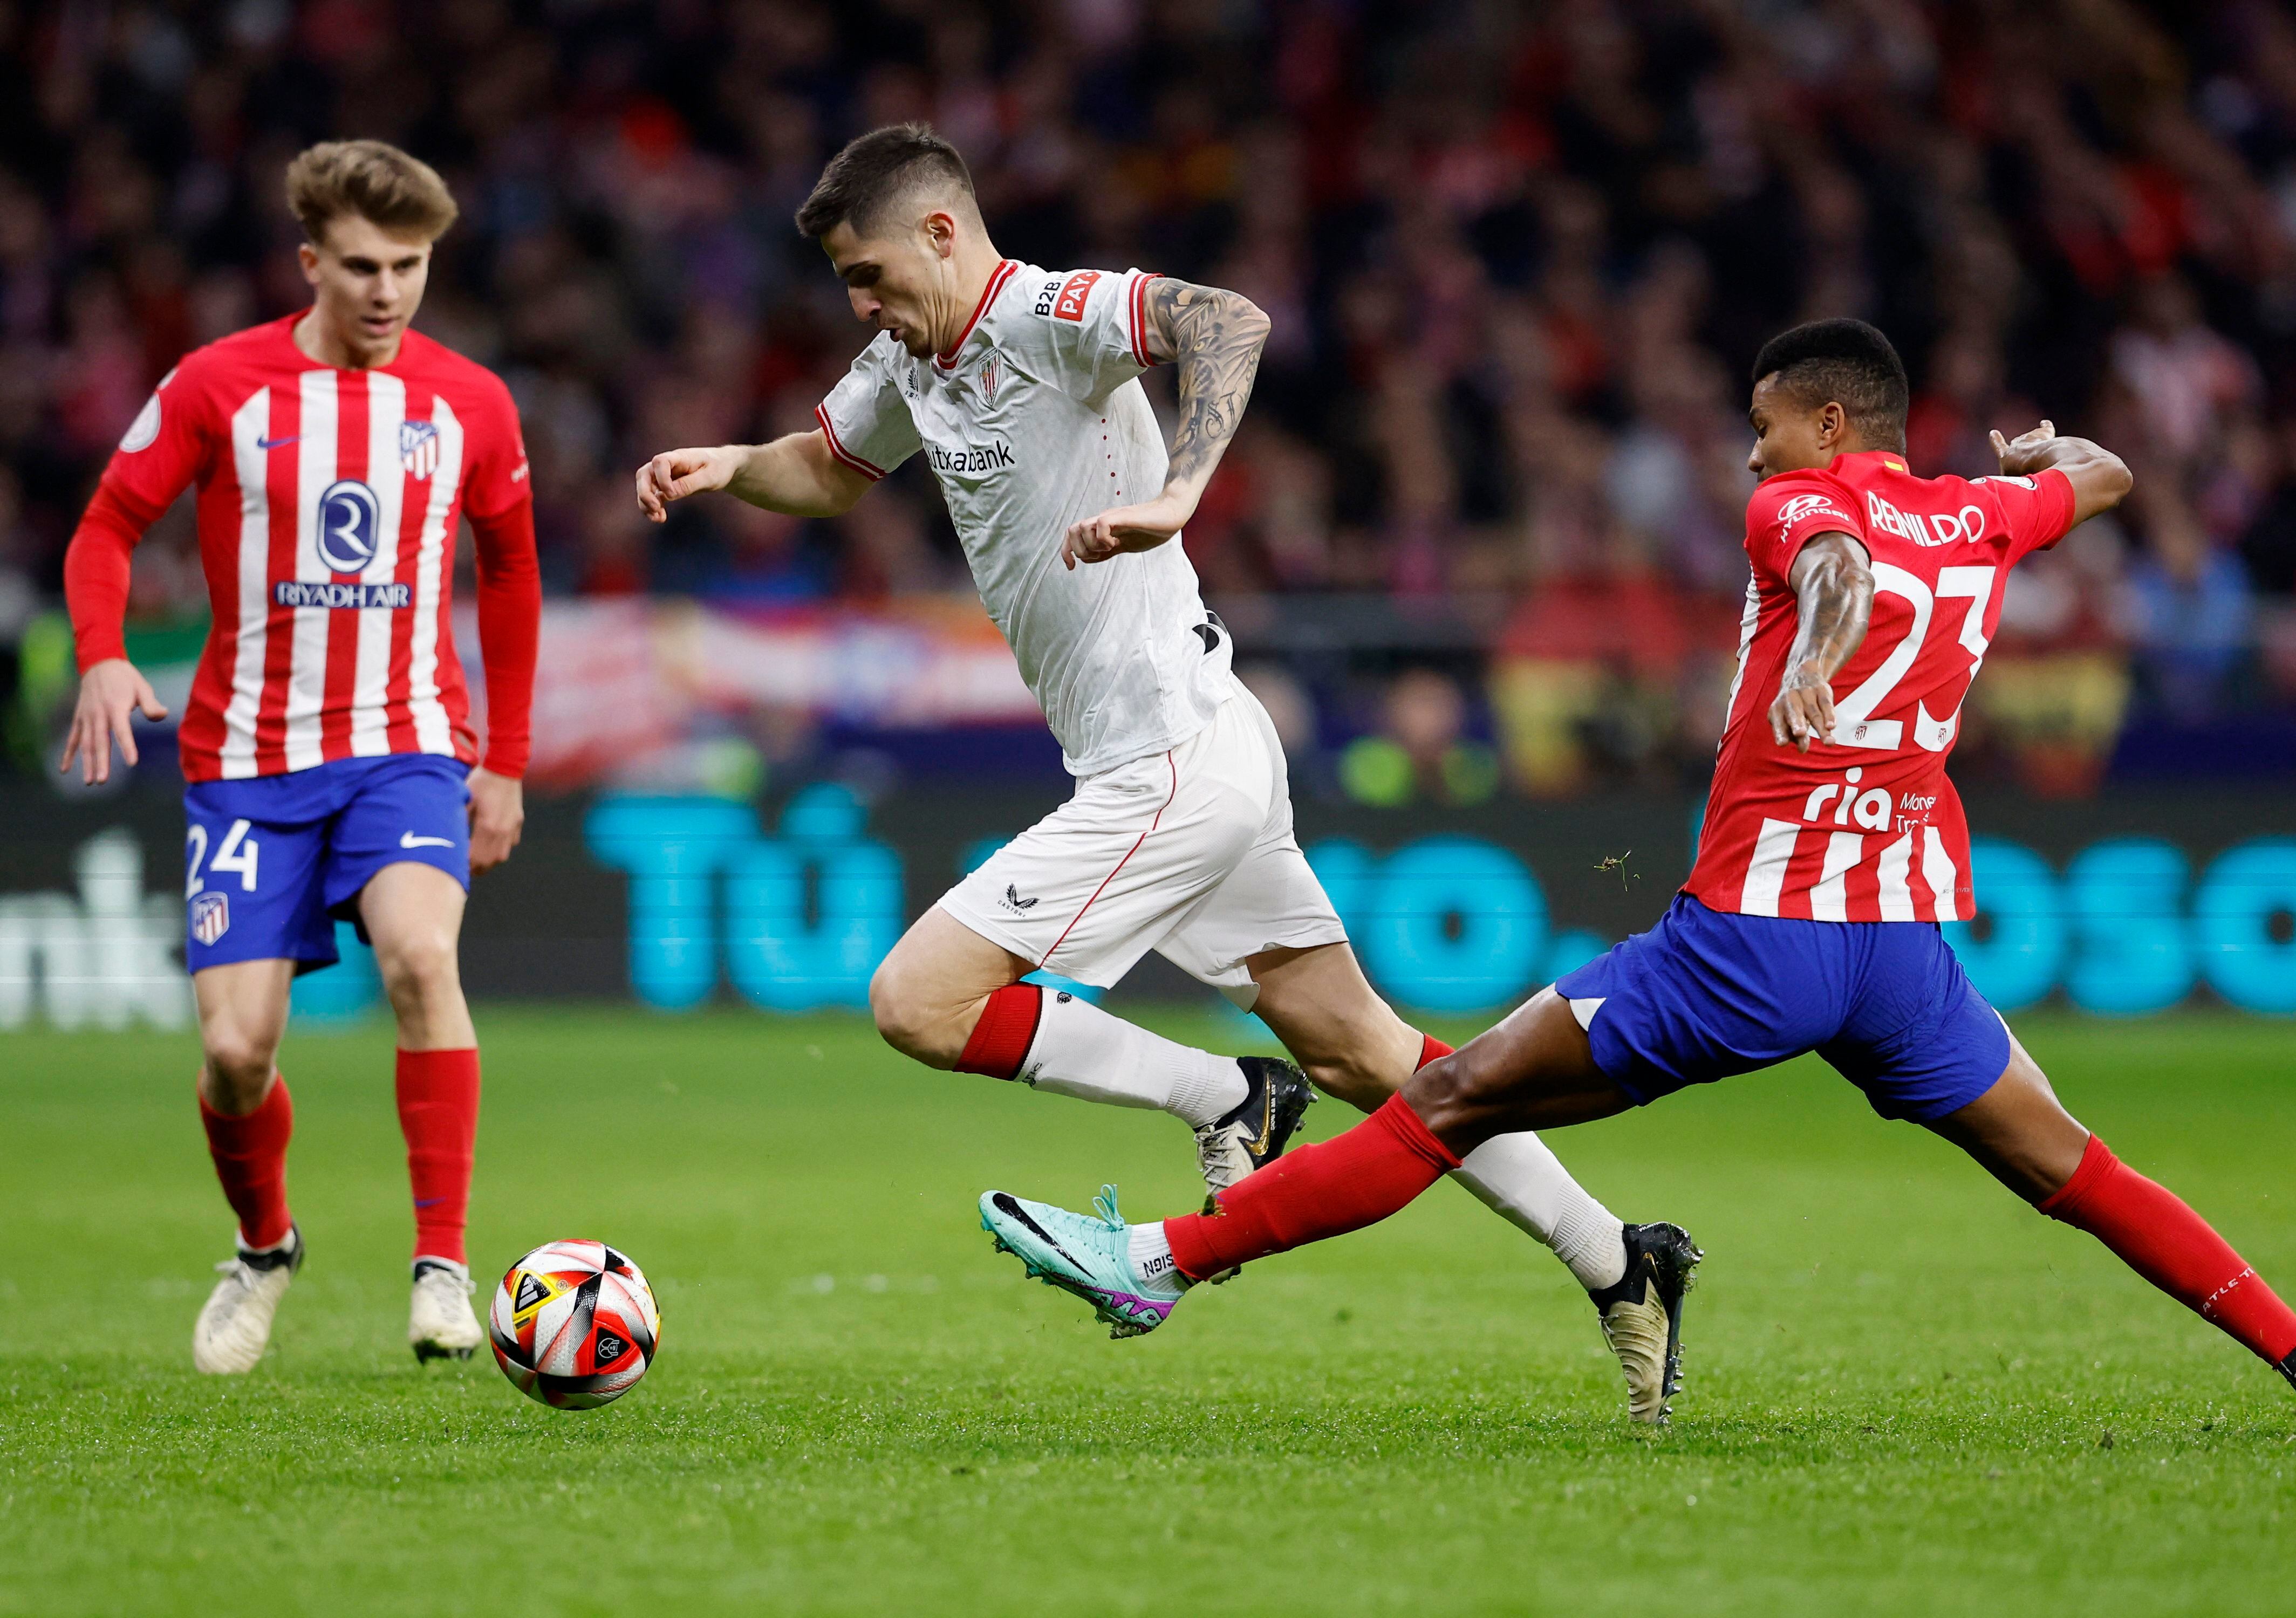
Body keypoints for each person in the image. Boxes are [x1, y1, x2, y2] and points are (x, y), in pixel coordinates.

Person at [979, 319, 2296, 1437]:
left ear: (1825, 421)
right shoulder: (1977, 514)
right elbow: (2105, 469)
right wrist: (2028, 464)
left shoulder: (1791, 510)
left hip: (1752, 942)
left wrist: (1816, 648)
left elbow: (1819, 562)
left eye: (1763, 429)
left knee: (1444, 1098)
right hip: (1902, 952)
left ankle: (1162, 1262)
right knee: (2075, 1172)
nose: (1746, 458)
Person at [635, 124, 1692, 1418]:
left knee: (919, 1000)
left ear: (942, 234)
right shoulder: (910, 362)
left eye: (868, 275)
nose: (860, 304)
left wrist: (1183, 485)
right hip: (1179, 746)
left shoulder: (1051, 314)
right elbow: (829, 471)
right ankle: (1620, 1261)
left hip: (1175, 764)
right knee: (1368, 1048)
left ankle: (1226, 1092)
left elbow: (1229, 322)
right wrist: (731, 466)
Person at [58, 140, 541, 1374]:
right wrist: (105, 651)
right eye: (365, 268)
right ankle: (265, 1247)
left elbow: (513, 574)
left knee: (423, 958)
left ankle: (442, 1265)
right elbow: (110, 524)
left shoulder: (471, 402)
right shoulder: (223, 385)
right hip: (247, 761)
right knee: (234, 1055)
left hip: (406, 746)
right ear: (312, 261)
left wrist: (507, 761)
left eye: (414, 267)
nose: (389, 293)